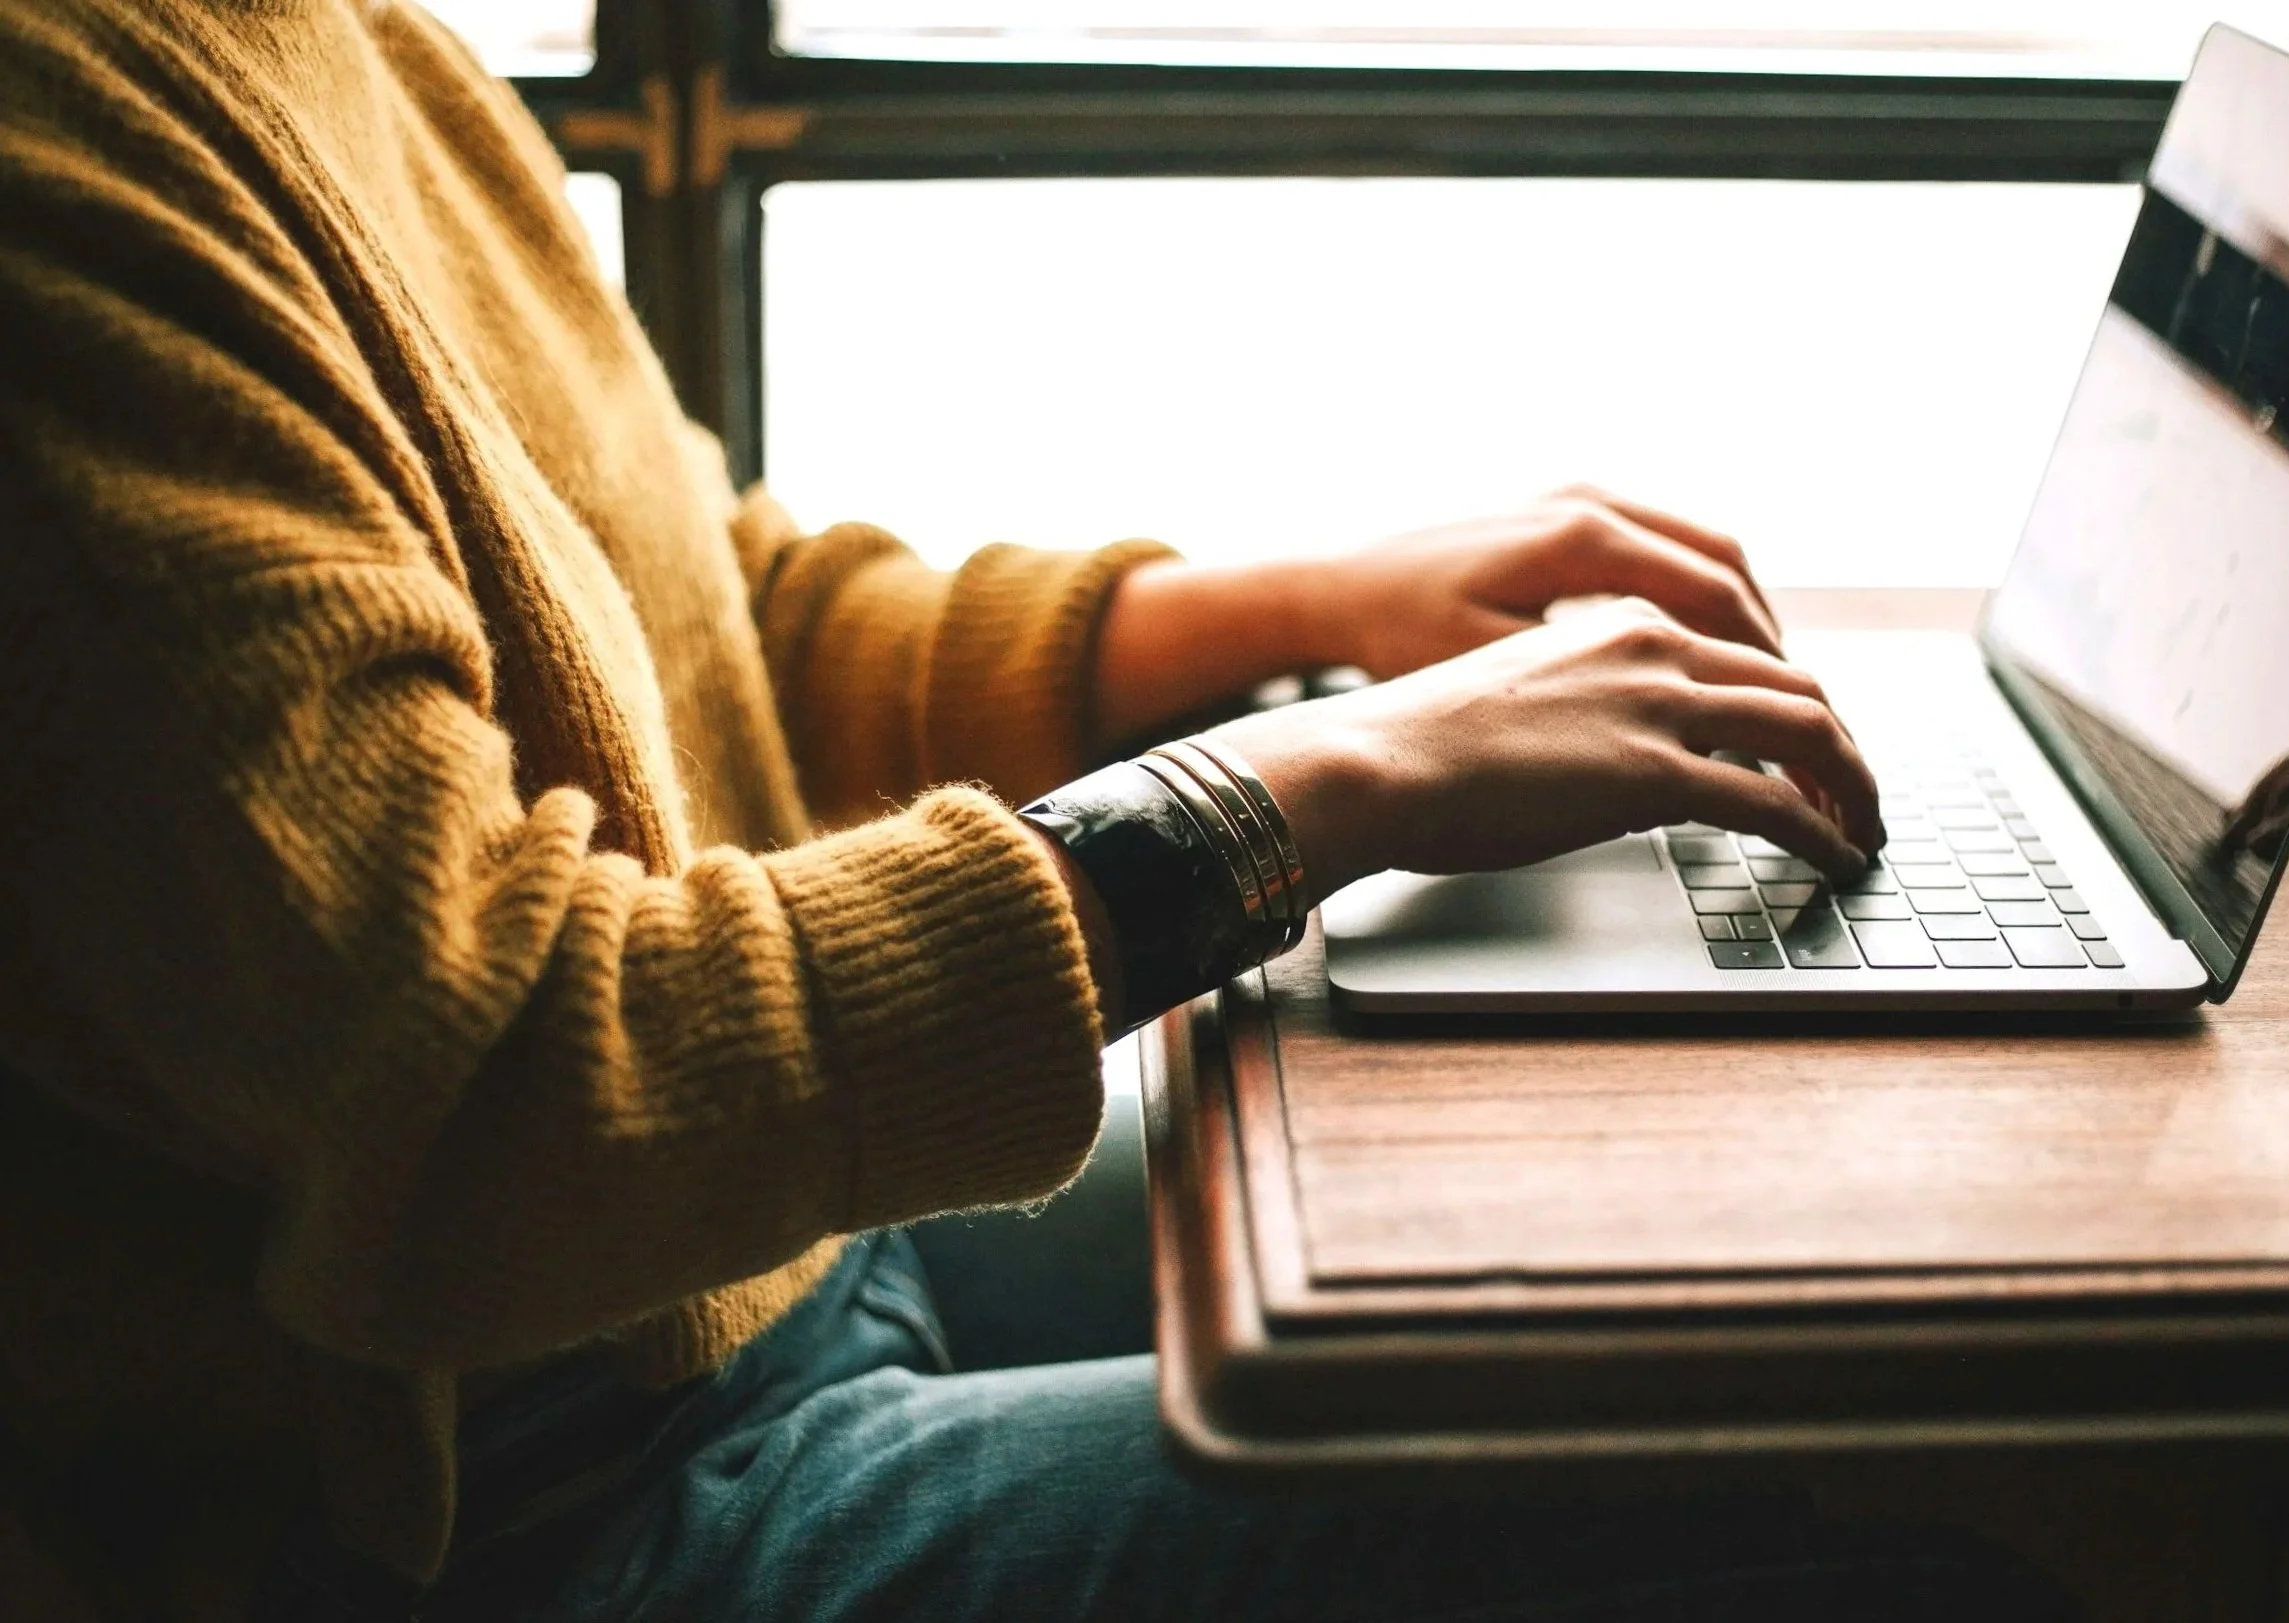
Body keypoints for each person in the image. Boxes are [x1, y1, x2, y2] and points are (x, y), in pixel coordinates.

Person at [0, 3, 2071, 1619]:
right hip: (528, 1507)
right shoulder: (59, 169)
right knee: (1853, 1523)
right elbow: (507, 1091)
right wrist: (1307, 787)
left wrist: (1298, 609)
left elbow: (701, 611)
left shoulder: (333, 37)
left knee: (1706, 1260)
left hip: (753, 1251)